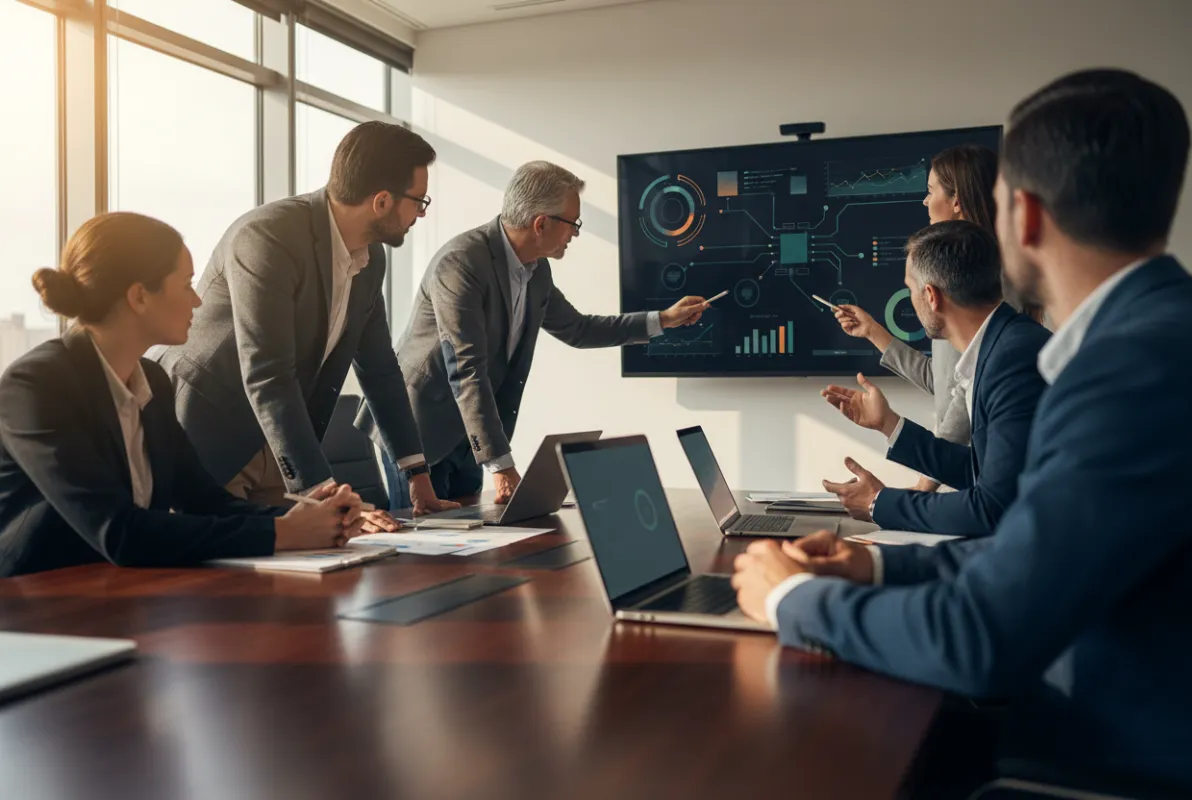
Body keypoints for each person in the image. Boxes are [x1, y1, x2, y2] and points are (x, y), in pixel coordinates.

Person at [732, 69, 1192, 792]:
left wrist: (790, 601)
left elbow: (982, 637)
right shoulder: (1159, 337)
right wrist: (873, 567)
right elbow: (1027, 552)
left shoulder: (1127, 371)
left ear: (1024, 217)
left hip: (1104, 761)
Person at [0, 213, 365, 577]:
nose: (197, 300)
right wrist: (283, 533)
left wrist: (312, 519)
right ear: (139, 296)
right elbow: (120, 531)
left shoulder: (153, 380)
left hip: (118, 590)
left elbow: (205, 501)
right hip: (35, 597)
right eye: (187, 284)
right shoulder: (35, 386)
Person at [357, 161, 709, 506]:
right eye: (573, 223)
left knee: (468, 533)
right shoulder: (461, 262)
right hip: (419, 429)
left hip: (469, 433)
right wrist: (501, 464)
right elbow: (466, 368)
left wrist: (664, 320)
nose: (575, 233)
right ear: (541, 223)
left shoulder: (535, 271)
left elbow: (578, 329)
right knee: (424, 539)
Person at [156, 122, 456, 523]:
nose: (421, 213)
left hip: (283, 442)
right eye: (419, 201)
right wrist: (323, 494)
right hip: (215, 432)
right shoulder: (269, 236)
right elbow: (267, 372)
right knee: (227, 560)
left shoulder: (369, 259)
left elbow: (380, 368)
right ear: (382, 201)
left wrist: (416, 473)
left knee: (312, 551)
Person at [819, 220, 1049, 536]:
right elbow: (980, 473)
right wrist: (888, 423)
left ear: (931, 296)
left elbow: (993, 507)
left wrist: (878, 503)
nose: (910, 298)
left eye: (910, 289)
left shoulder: (1011, 359)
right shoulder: (1001, 346)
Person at [834, 145, 999, 493]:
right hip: (966, 477)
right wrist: (873, 332)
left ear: (956, 201)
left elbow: (964, 401)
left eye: (930, 191)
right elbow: (947, 385)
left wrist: (921, 491)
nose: (924, 201)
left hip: (980, 480)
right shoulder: (967, 279)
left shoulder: (984, 286)